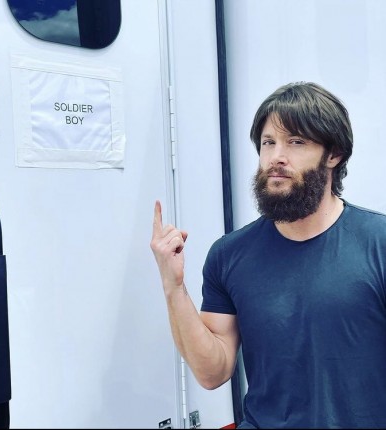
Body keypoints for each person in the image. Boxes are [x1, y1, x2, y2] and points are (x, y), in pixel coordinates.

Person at [150, 81, 386, 429]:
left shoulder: (378, 242)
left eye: (296, 142)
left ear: (333, 154)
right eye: (268, 142)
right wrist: (173, 287)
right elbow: (212, 372)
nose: (276, 157)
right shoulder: (229, 254)